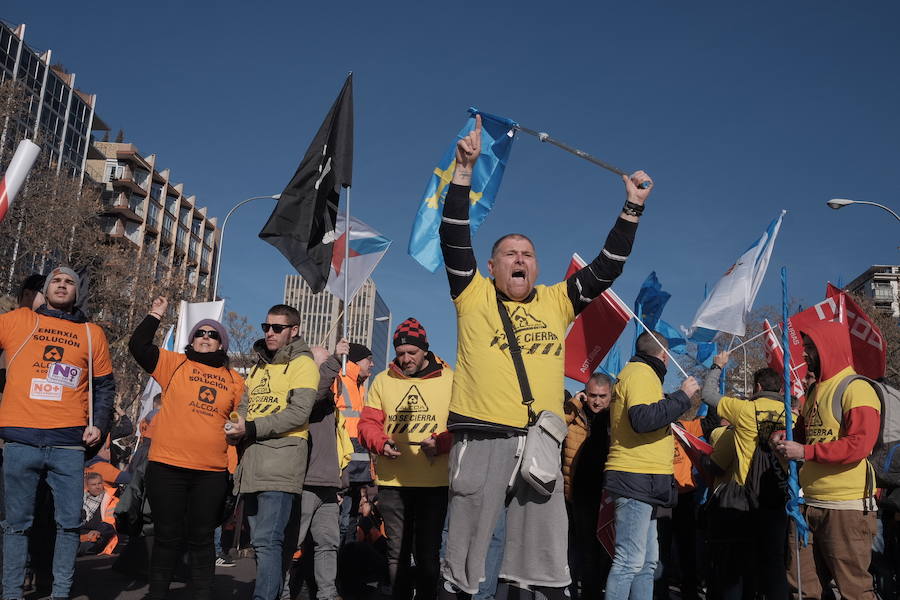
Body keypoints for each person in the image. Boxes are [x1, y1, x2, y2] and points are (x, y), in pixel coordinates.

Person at [437, 115, 651, 599]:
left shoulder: (557, 300)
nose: (519, 260)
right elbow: (453, 234)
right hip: (483, 439)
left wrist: (632, 208)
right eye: (509, 254)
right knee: (468, 556)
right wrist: (463, 173)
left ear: (537, 266)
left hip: (540, 444)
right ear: (491, 268)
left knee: (540, 563)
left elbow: (607, 268)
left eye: (528, 254)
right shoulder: (472, 294)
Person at [0, 265, 115, 600]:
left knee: (68, 525)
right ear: (45, 290)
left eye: (69, 282)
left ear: (77, 292)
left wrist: (100, 424)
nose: (63, 285)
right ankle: (11, 594)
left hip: (68, 445)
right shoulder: (20, 320)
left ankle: (60, 593)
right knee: (15, 525)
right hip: (21, 440)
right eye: (56, 281)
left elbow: (105, 387)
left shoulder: (93, 333)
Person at [128, 296, 244, 599]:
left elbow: (242, 419)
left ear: (222, 344)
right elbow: (138, 346)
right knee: (167, 536)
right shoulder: (174, 363)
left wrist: (238, 431)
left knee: (202, 537)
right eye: (200, 333)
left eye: (213, 334)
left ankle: (202, 593)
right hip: (167, 466)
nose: (205, 337)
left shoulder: (235, 380)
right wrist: (155, 313)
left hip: (211, 472)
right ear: (191, 341)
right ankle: (158, 594)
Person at [774, 323, 881, 600]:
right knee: (803, 587)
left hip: (845, 506)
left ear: (828, 348)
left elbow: (860, 444)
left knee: (854, 590)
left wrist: (804, 452)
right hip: (807, 504)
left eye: (810, 348)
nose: (804, 355)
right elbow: (804, 435)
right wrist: (785, 438)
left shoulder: (856, 388)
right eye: (805, 347)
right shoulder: (813, 391)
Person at [226, 304, 319, 600]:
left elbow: (299, 413)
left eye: (277, 328)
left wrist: (250, 429)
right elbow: (244, 407)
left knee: (268, 540)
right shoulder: (259, 366)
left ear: (294, 330)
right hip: (252, 463)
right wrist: (235, 425)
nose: (269, 333)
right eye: (266, 327)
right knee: (262, 542)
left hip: (281, 463)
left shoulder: (304, 364)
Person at [358, 318, 453, 600]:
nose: (406, 359)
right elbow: (367, 425)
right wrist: (381, 442)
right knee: (396, 552)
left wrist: (441, 442)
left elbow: (461, 426)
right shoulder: (383, 381)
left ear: (425, 349)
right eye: (400, 354)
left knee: (427, 554)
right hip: (393, 482)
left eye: (412, 352)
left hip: (434, 482)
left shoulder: (450, 379)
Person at [603, 331, 699, 600]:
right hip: (636, 477)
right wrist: (682, 396)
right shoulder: (641, 373)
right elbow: (643, 419)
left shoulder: (641, 374)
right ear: (664, 356)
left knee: (647, 564)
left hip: (646, 480)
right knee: (629, 562)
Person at [701, 353, 789, 600]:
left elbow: (707, 395)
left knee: (738, 567)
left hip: (745, 500)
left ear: (757, 387)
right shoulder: (792, 413)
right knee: (774, 564)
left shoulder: (745, 409)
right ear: (779, 388)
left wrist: (717, 366)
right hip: (779, 496)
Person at [280, 341, 353, 600]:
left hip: (328, 485)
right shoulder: (304, 395)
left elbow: (338, 445)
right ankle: (282, 592)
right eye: (322, 366)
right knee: (292, 543)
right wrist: (334, 359)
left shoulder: (330, 401)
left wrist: (340, 482)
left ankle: (327, 594)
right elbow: (318, 388)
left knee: (328, 544)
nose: (328, 374)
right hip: (306, 481)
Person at [562, 374, 612, 600]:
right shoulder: (575, 414)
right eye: (592, 395)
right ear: (585, 393)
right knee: (581, 552)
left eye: (603, 396)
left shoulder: (616, 418)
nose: (597, 401)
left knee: (607, 552)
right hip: (578, 493)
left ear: (611, 395)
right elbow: (553, 425)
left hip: (608, 495)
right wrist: (573, 405)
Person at [333, 342, 376, 545]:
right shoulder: (340, 380)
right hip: (344, 461)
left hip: (356, 466)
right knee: (340, 521)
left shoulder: (358, 386)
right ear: (356, 361)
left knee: (350, 520)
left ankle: (345, 564)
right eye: (369, 359)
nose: (373, 364)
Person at [77, 471, 118, 556]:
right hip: (80, 534)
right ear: (87, 487)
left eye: (99, 483)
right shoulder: (81, 499)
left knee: (82, 547)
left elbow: (110, 524)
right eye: (93, 485)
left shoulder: (112, 501)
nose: (97, 487)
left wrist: (98, 531)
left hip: (98, 536)